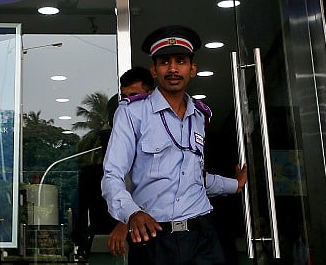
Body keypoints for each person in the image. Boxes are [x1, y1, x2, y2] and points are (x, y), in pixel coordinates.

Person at [101, 25, 248, 264]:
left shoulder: (200, 116)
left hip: (202, 234)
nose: (172, 69)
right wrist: (132, 213)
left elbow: (193, 178)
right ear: (154, 70)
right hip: (155, 236)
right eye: (164, 62)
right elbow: (112, 176)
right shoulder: (133, 113)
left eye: (180, 61)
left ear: (192, 69)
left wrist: (235, 185)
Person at [106, 65, 155, 257]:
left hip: (144, 222)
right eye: (124, 97)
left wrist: (124, 221)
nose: (128, 103)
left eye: (134, 96)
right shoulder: (120, 119)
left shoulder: (163, 125)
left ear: (150, 95)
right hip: (122, 216)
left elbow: (154, 183)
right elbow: (113, 175)